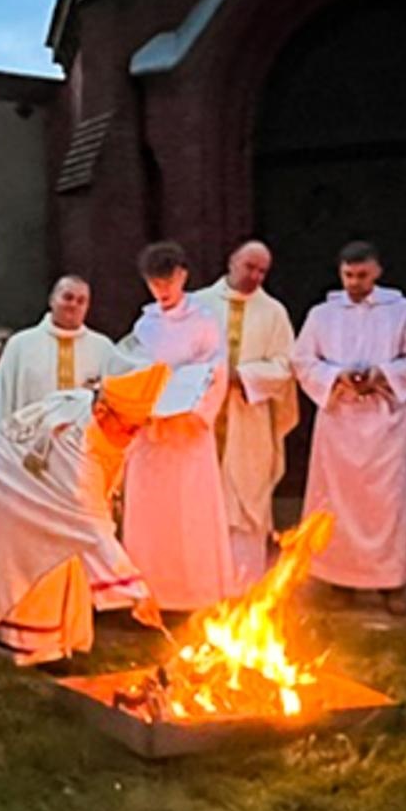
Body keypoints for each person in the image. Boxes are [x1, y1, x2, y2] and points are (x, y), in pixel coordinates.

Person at [0, 365, 170, 665]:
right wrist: (138, 594)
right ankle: (14, 642)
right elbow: (94, 528)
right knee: (28, 556)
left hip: (26, 479)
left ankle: (51, 639)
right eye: (130, 428)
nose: (133, 436)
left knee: (60, 549)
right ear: (102, 413)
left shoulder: (88, 403)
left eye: (140, 427)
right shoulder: (78, 454)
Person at [292, 241, 406, 615]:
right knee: (338, 502)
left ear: (377, 272)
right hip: (340, 417)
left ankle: (391, 582)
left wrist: (383, 376)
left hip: (385, 418)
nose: (355, 282)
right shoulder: (323, 314)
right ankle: (342, 580)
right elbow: (302, 358)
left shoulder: (402, 311)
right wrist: (336, 376)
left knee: (388, 501)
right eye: (348, 275)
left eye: (362, 275)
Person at [118, 241, 237, 611]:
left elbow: (217, 372)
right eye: (154, 284)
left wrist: (194, 411)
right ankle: (148, 596)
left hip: (187, 432)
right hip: (152, 433)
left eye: (167, 281)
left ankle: (195, 596)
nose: (162, 291)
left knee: (190, 513)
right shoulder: (145, 324)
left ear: (182, 276)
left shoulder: (203, 320)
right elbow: (131, 368)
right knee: (150, 518)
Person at [195, 240, 300, 590]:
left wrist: (244, 377)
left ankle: (244, 589)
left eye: (261, 271)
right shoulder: (197, 306)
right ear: (231, 262)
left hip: (249, 418)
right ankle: (203, 587)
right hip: (204, 422)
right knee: (201, 500)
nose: (254, 276)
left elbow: (286, 365)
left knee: (247, 501)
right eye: (249, 267)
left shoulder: (274, 313)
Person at [0, 276, 119, 420]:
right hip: (31, 438)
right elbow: (1, 402)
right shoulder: (20, 345)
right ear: (52, 300)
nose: (73, 305)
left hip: (85, 439)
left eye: (81, 301)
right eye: (68, 297)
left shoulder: (103, 348)